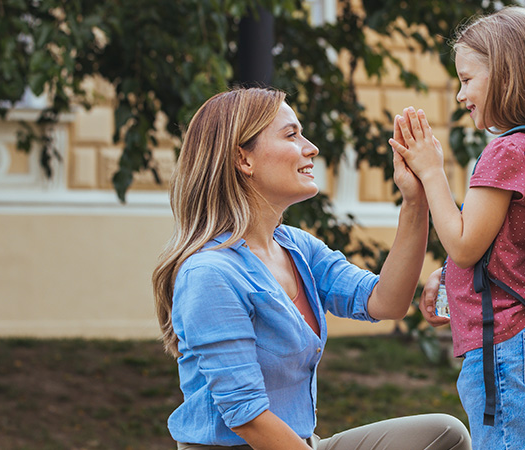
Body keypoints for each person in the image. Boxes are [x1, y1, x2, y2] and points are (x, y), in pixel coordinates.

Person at [151, 87, 471, 450]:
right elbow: (247, 417)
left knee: (444, 436)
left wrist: (415, 200)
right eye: (291, 135)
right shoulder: (210, 274)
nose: (311, 147)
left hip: (304, 443)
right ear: (244, 159)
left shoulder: (294, 246)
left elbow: (385, 301)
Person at [388, 6, 525, 450]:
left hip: (503, 343)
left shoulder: (507, 151)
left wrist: (432, 172)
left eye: (467, 80)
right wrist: (446, 277)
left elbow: (466, 245)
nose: (460, 94)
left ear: (506, 76)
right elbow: (506, 247)